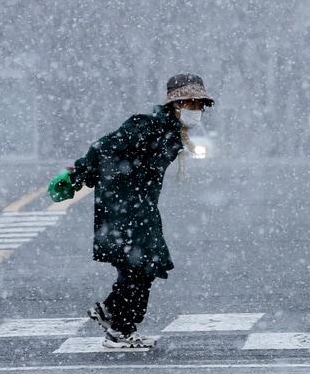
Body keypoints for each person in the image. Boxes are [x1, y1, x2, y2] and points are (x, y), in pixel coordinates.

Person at [48, 74, 214, 349]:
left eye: (200, 104)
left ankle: (115, 321)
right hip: (123, 206)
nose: (196, 109)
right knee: (138, 265)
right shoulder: (147, 125)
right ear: (175, 103)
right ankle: (116, 325)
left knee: (145, 266)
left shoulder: (172, 132)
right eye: (191, 102)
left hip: (140, 206)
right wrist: (76, 175)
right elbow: (104, 148)